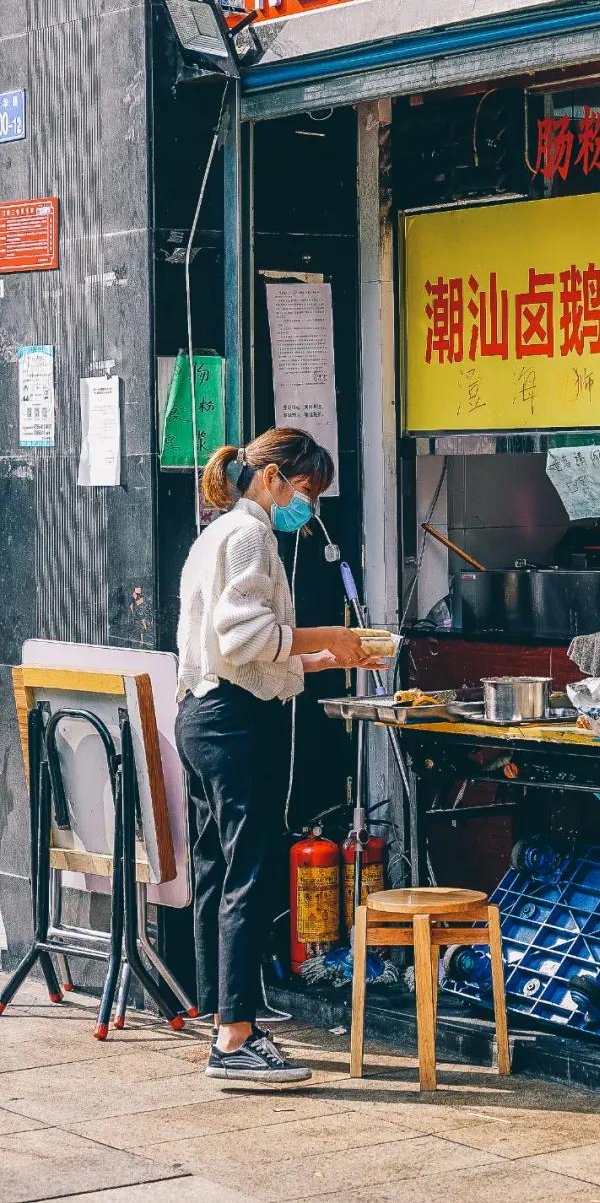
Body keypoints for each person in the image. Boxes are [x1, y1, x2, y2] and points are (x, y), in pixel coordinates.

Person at [175, 427, 381, 1085]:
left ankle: (222, 1014)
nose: (309, 508)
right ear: (273, 480)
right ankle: (234, 1038)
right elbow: (245, 638)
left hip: (205, 715)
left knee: (220, 868)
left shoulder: (220, 532)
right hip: (232, 722)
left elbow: (255, 647)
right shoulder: (249, 535)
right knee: (250, 872)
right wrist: (335, 636)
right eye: (306, 492)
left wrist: (328, 656)